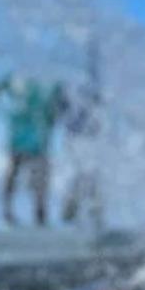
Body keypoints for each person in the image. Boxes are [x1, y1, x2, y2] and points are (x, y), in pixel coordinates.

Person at [0, 71, 68, 227]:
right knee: (17, 171)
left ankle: (39, 213)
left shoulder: (54, 82)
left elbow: (64, 107)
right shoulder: (17, 77)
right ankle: (9, 212)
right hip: (21, 133)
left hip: (40, 135)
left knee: (38, 175)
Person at [60, 47, 105, 228]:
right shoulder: (70, 86)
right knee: (85, 174)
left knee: (92, 175)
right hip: (77, 137)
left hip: (89, 137)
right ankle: (75, 212)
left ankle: (90, 213)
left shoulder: (94, 88)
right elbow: (62, 107)